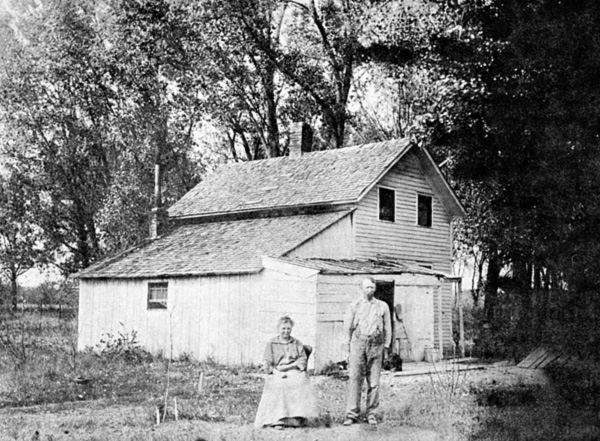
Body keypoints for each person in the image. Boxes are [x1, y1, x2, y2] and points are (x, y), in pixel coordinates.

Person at [342, 277, 392, 426]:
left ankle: (372, 413)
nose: (370, 290)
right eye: (367, 288)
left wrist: (387, 346)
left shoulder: (382, 306)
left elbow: (388, 327)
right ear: (361, 289)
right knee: (355, 378)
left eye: (372, 287)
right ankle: (352, 414)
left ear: (375, 288)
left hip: (376, 344)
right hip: (358, 343)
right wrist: (346, 350)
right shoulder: (354, 306)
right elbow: (347, 329)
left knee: (374, 381)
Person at [254, 316, 319, 429]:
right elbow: (267, 363)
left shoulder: (296, 343)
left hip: (293, 370)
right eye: (283, 328)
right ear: (278, 329)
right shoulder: (271, 343)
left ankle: (296, 418)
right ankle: (278, 419)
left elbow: (302, 360)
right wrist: (276, 371)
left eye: (288, 328)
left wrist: (290, 366)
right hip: (276, 371)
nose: (286, 331)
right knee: (280, 383)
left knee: (300, 379)